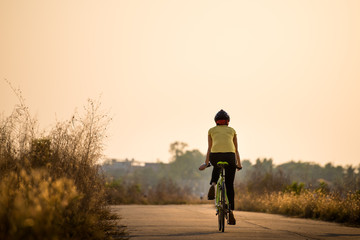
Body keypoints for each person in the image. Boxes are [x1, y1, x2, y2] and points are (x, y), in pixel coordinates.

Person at [199, 109, 242, 225]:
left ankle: (213, 184)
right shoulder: (232, 130)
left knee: (216, 165)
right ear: (228, 121)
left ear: (216, 122)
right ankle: (231, 211)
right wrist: (239, 164)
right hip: (230, 156)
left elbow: (209, 148)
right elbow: (236, 150)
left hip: (215, 156)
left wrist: (206, 163)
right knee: (229, 185)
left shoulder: (211, 130)